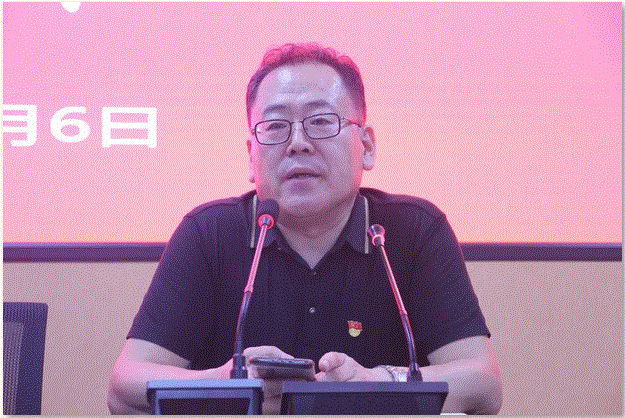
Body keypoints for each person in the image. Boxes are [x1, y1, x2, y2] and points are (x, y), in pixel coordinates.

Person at [108, 42, 502, 415]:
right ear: (250, 157)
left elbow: (483, 383)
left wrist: (376, 384)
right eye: (275, 126)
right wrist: (230, 382)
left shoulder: (412, 230)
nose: (298, 143)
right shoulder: (209, 233)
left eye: (321, 121)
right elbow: (125, 386)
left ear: (366, 146)